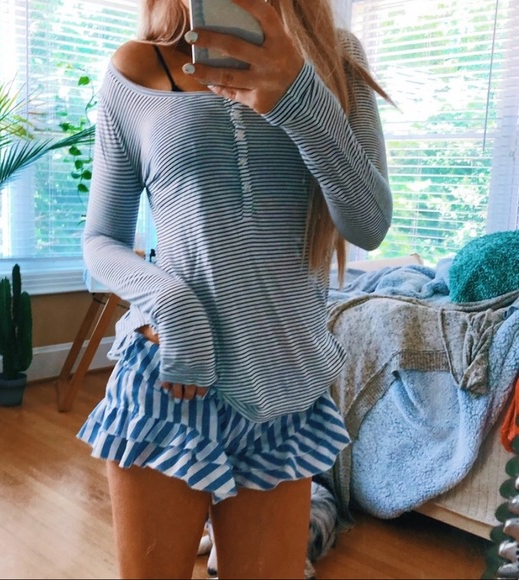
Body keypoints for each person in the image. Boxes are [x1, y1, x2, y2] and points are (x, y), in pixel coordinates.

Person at [78, 0, 393, 578]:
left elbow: (368, 225)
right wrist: (171, 303)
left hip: (286, 395)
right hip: (169, 382)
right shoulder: (138, 67)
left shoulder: (335, 57)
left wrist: (298, 93)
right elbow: (101, 239)